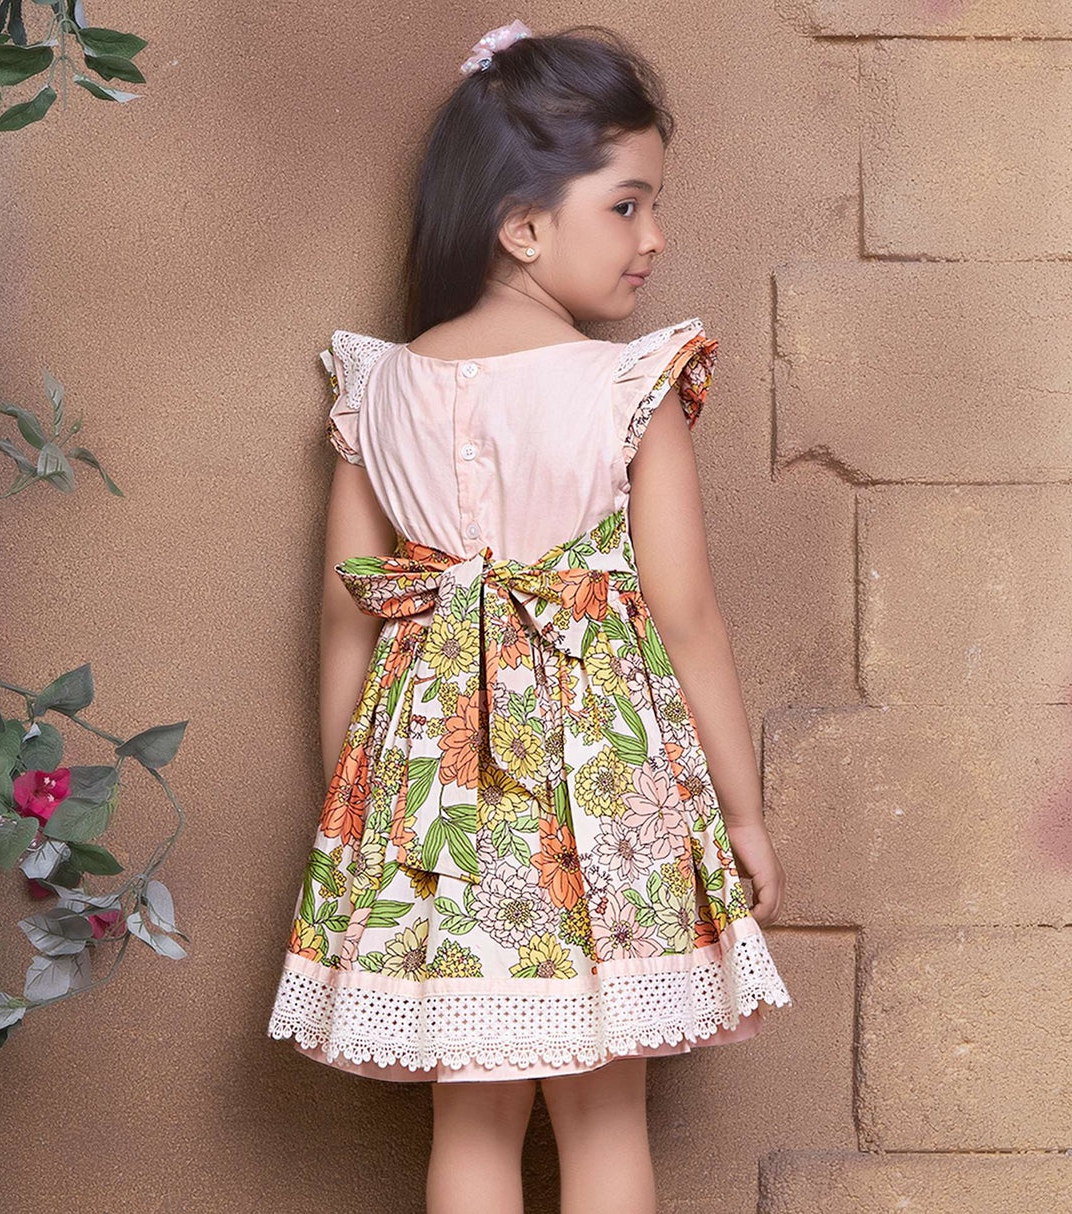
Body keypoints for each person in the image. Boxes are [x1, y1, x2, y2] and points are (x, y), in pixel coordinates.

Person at [267, 19, 793, 1214]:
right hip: (601, 795)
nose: (652, 238)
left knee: (469, 1117)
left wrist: (351, 812)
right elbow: (684, 613)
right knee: (603, 1117)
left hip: (431, 806)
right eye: (625, 205)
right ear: (521, 226)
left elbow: (348, 615)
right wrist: (742, 810)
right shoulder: (623, 385)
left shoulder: (379, 387)